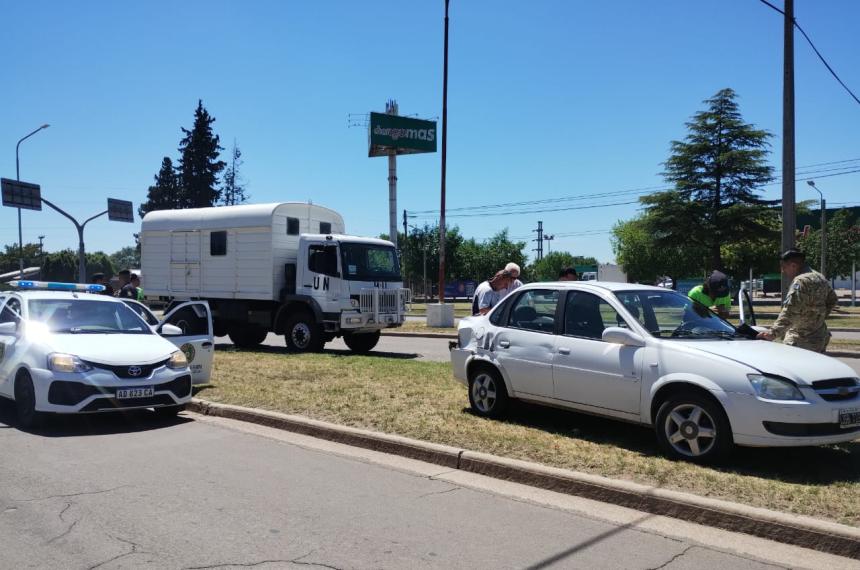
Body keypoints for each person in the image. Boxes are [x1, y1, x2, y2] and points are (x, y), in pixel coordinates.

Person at [757, 249, 837, 353]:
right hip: (819, 337)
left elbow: (790, 311)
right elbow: (833, 299)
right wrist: (818, 317)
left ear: (793, 266)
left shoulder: (800, 281)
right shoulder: (819, 277)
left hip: (801, 340)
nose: (782, 271)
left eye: (784, 267)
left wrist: (772, 333)